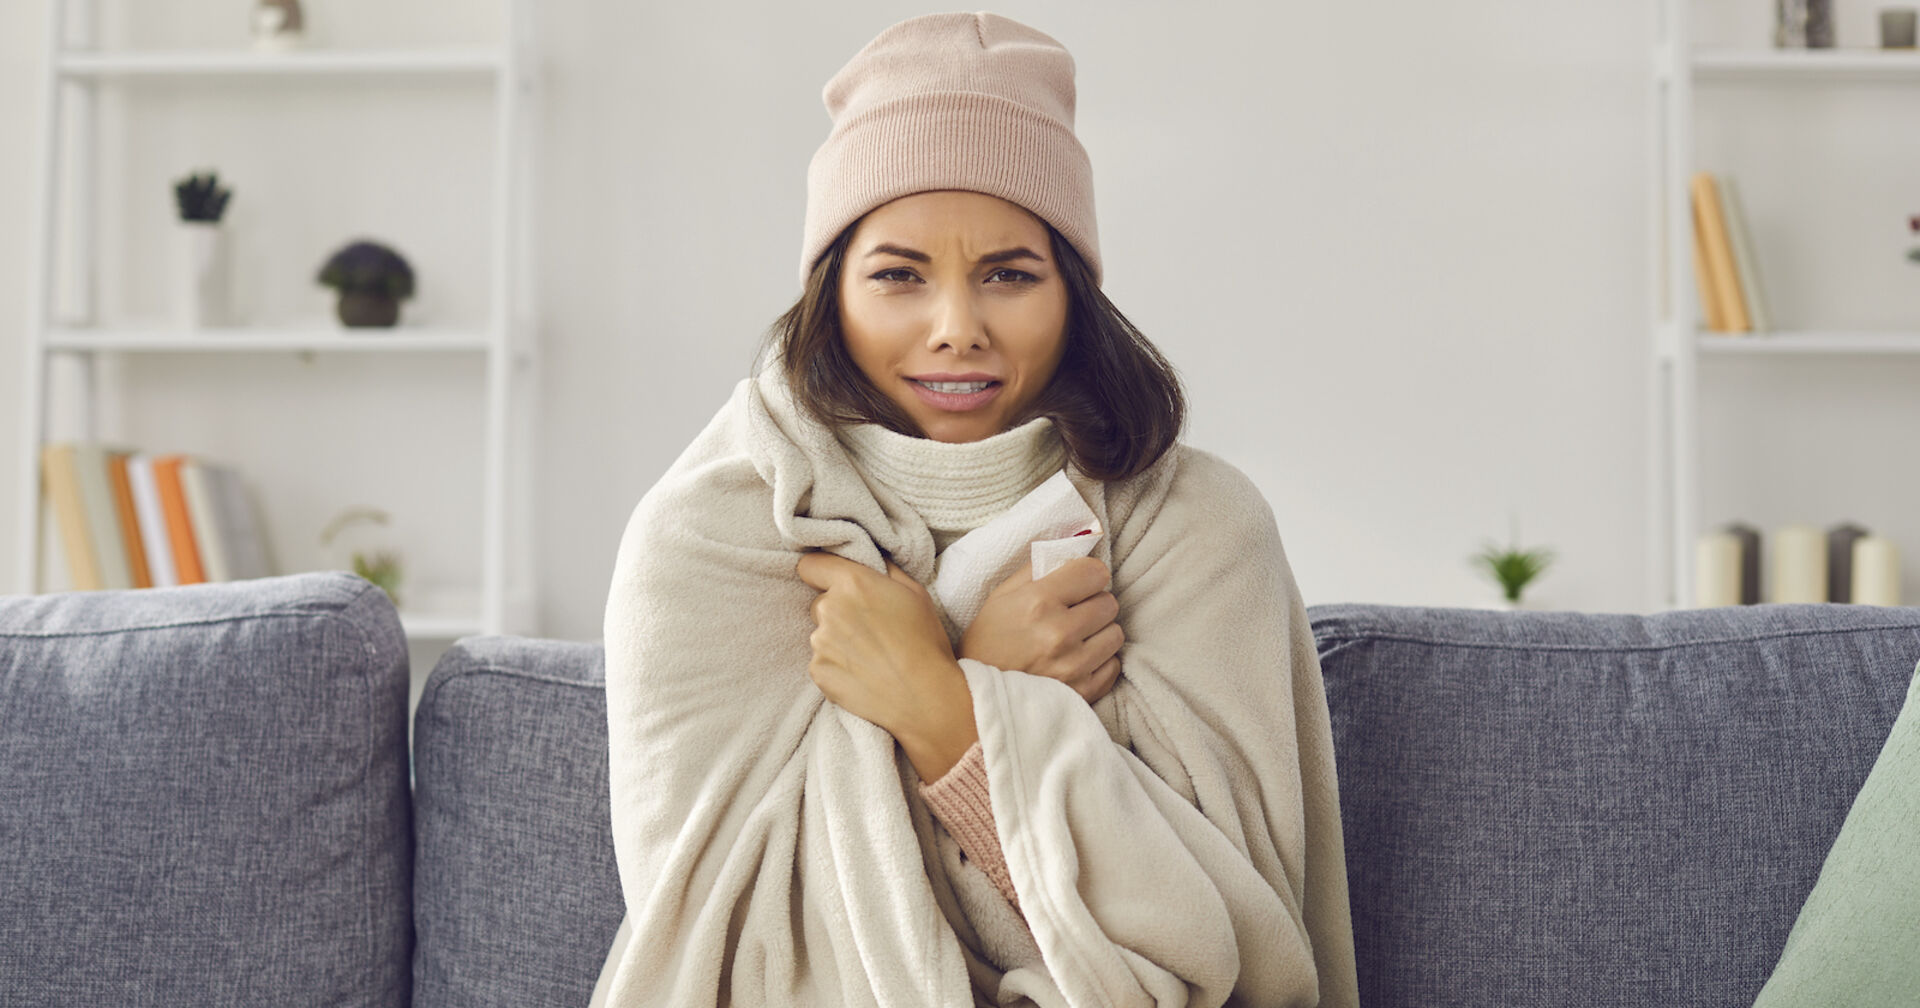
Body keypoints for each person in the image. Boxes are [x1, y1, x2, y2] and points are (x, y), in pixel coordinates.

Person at [601, 12, 1357, 1007]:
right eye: (898, 277)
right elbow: (725, 947)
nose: (956, 331)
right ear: (831, 295)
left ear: (1072, 294)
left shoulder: (1199, 532)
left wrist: (947, 710)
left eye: (1008, 274)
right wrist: (984, 688)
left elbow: (1226, 952)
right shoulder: (707, 541)